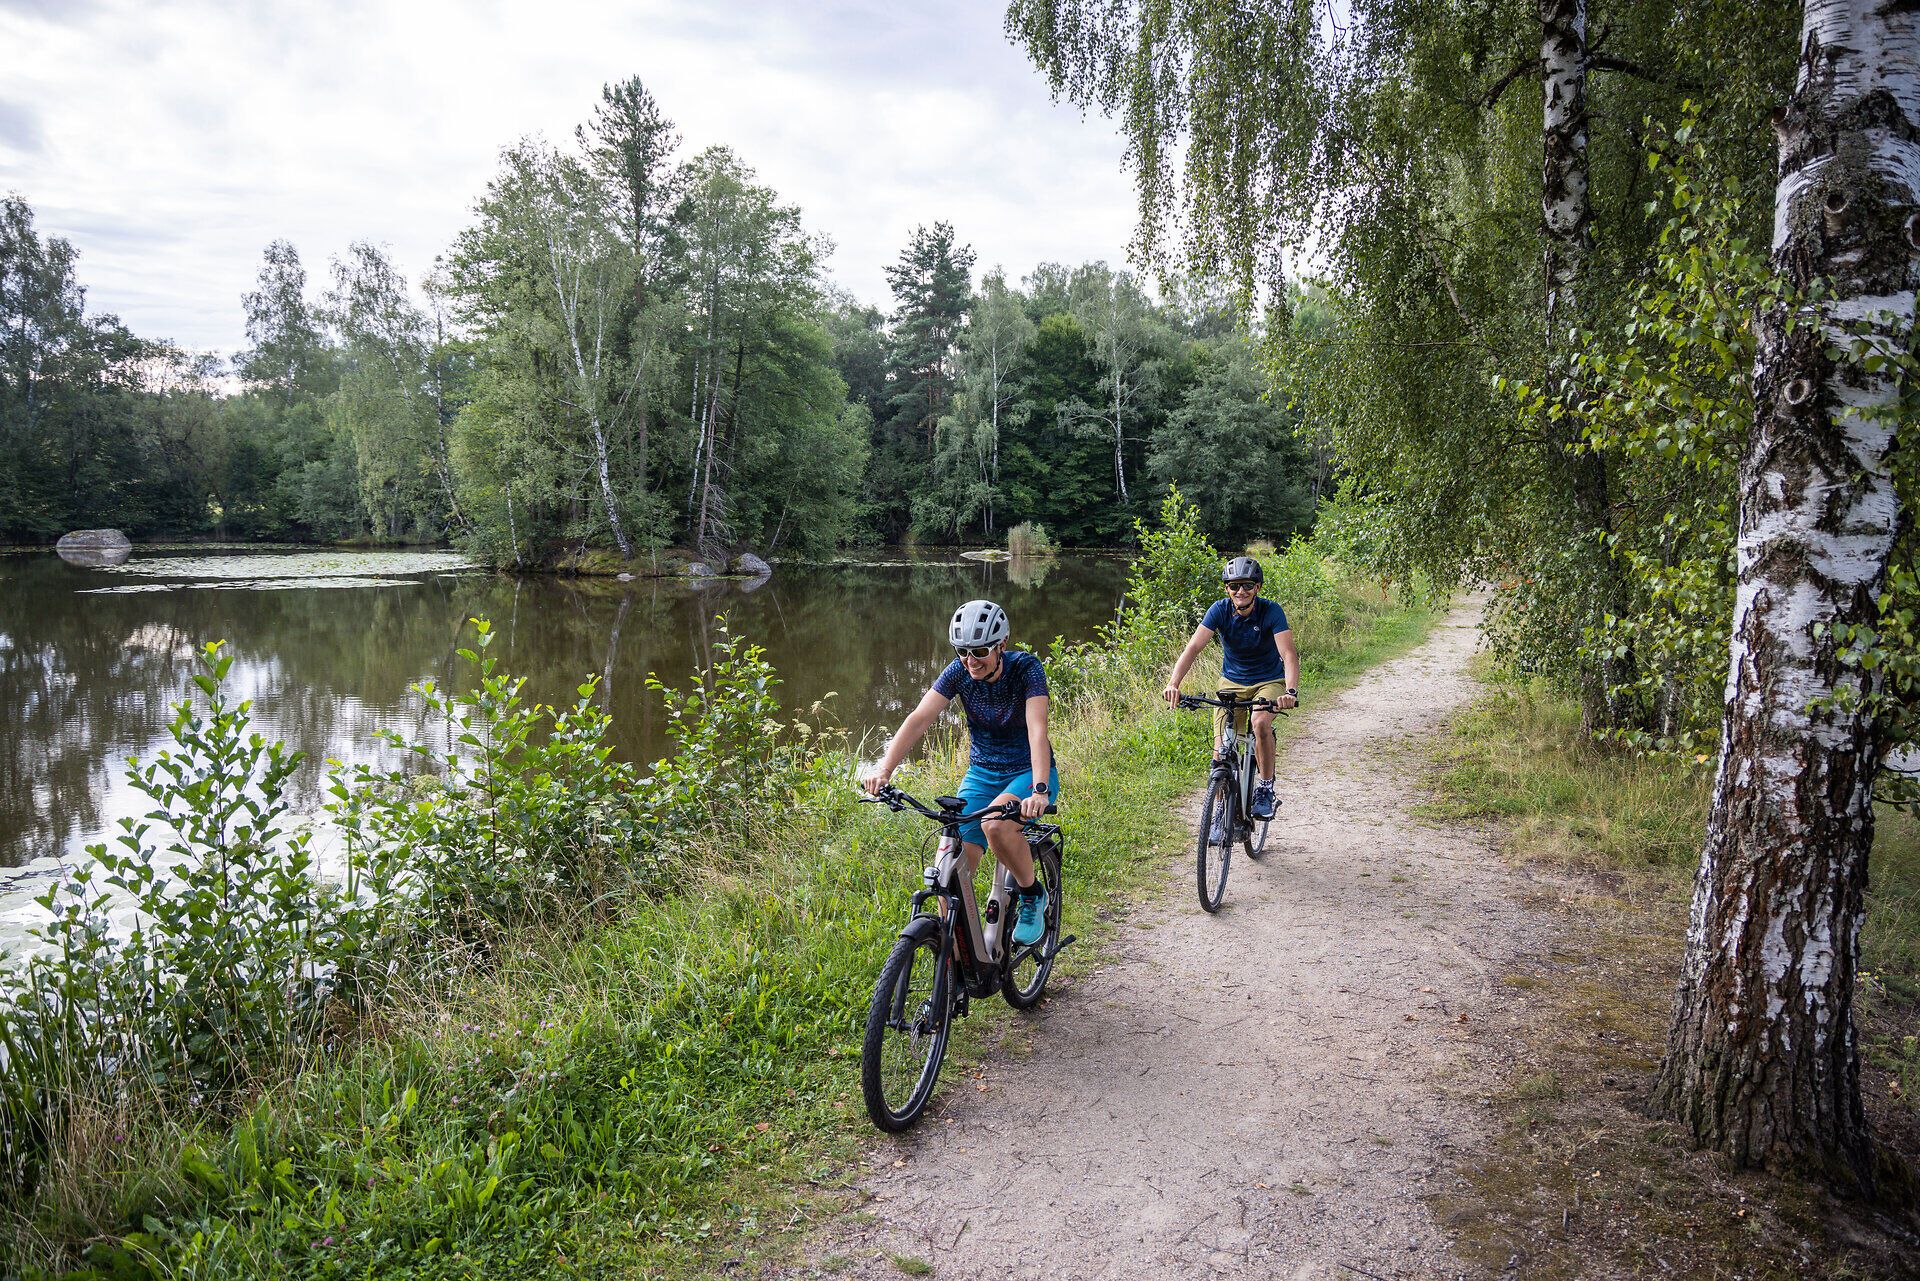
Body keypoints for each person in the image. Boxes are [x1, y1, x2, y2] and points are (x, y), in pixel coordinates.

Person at [864, 599, 1058, 946]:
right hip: (982, 773)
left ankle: (1031, 894)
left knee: (995, 826)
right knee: (949, 867)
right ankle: (952, 964)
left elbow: (1036, 731)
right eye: (962, 651)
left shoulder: (1026, 669)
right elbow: (919, 719)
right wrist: (884, 770)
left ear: (1002, 644)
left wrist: (1039, 790)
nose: (970, 661)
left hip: (1026, 772)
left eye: (979, 651)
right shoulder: (959, 673)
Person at [1161, 556, 1300, 822]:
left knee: (1260, 723)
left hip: (1268, 680)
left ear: (1257, 587)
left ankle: (1265, 788)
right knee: (1221, 751)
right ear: (1227, 589)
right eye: (1234, 586)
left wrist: (1290, 692)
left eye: (1247, 585)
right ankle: (1221, 811)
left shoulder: (1271, 612)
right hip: (1231, 683)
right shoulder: (1219, 610)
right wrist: (1173, 683)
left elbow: (1289, 655)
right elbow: (1193, 648)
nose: (1241, 591)